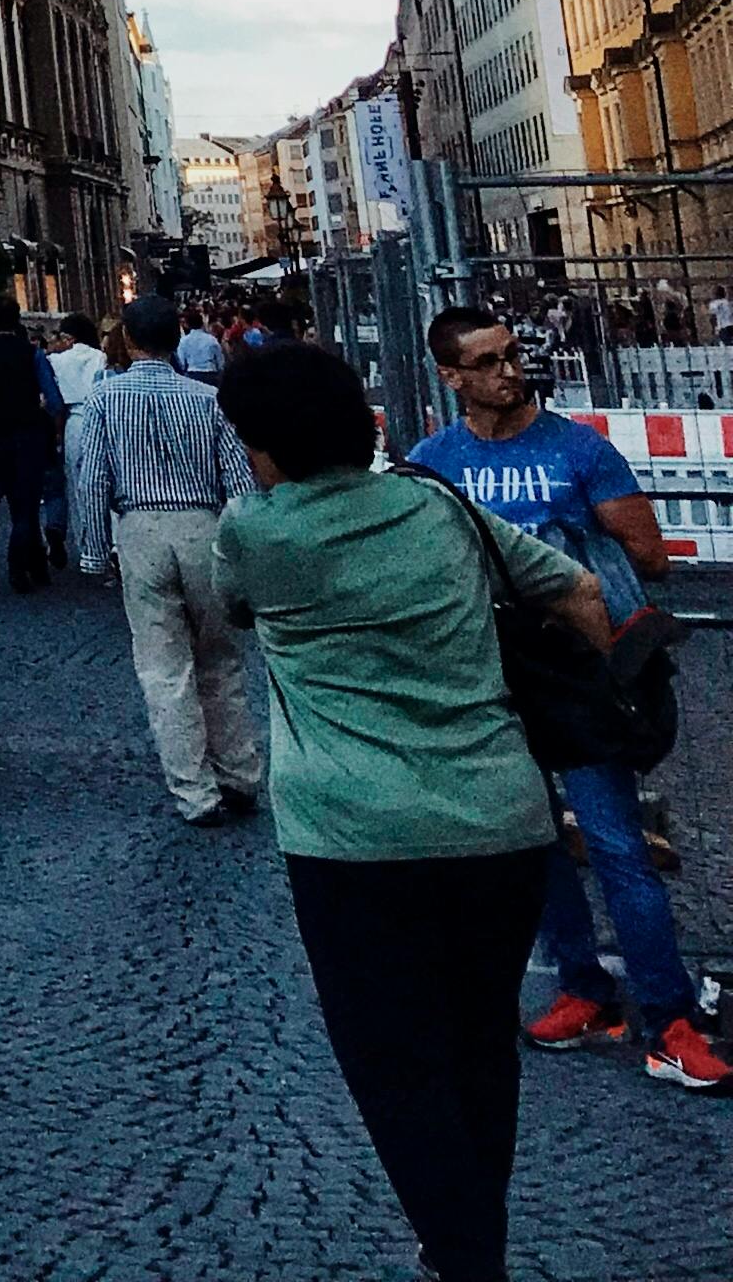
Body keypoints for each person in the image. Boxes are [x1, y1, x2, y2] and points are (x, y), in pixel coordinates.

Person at [216, 343, 626, 1282]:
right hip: (498, 817)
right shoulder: (437, 503)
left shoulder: (255, 531)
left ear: (263, 448)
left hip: (353, 839)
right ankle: (466, 1244)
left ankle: (466, 1256)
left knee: (394, 1066)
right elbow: (581, 589)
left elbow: (234, 606)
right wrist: (594, 729)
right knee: (481, 1041)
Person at [408, 307, 711, 1084]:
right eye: (488, 361)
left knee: (615, 846)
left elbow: (650, 557)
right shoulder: (433, 461)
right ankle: (584, 988)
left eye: (511, 355)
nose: (509, 371)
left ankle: (670, 1014)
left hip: (581, 678)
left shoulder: (580, 449)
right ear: (453, 377)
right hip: (491, 680)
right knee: (534, 843)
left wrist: (570, 552)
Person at [63, 299, 262, 827]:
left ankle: (194, 791)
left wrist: (92, 551)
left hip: (141, 528)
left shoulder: (105, 398)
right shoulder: (209, 399)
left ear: (127, 340)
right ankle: (239, 773)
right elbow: (238, 481)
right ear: (177, 338)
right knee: (220, 657)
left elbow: (92, 479)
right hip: (204, 525)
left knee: (164, 666)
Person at [0, 302, 64, 593]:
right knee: (30, 501)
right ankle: (21, 560)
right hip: (30, 432)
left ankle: (34, 562)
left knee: (15, 500)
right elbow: (54, 398)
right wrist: (53, 426)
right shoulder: (32, 354)